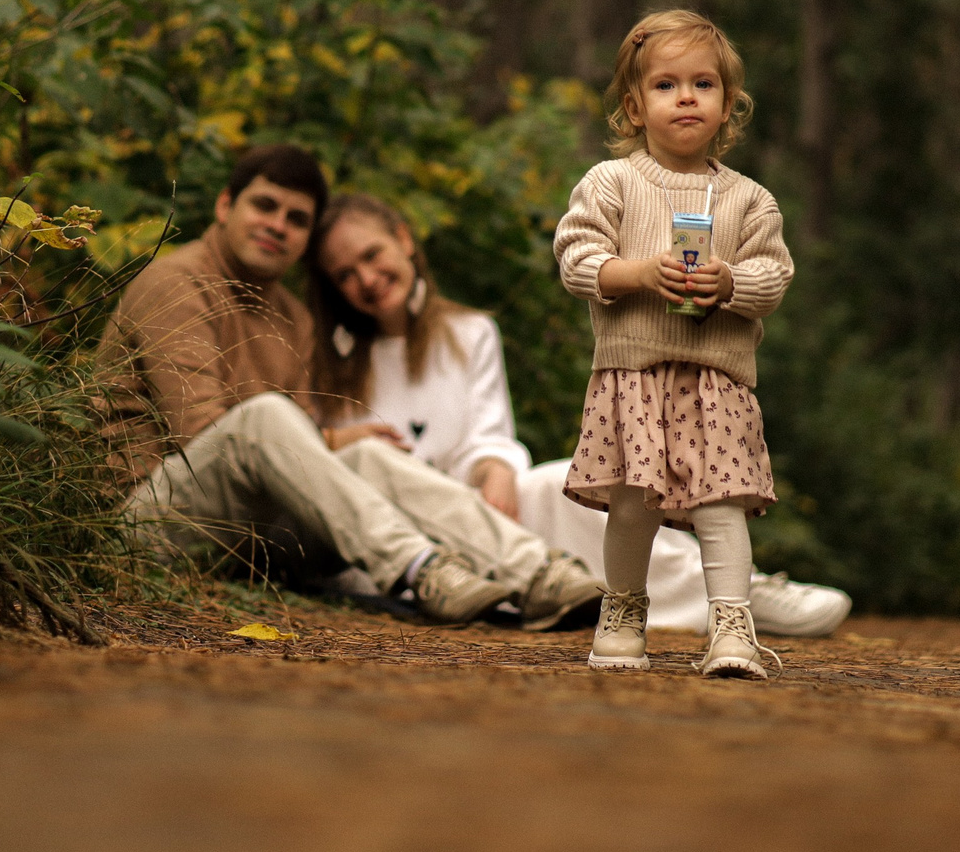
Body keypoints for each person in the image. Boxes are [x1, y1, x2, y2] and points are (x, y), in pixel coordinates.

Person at [96, 143, 604, 629]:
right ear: (225, 205)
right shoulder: (176, 284)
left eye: (297, 220)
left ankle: (538, 572)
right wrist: (334, 442)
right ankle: (420, 569)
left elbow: (296, 458)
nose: (278, 226)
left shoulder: (291, 320)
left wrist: (342, 446)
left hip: (249, 540)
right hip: (146, 524)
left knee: (372, 459)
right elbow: (201, 433)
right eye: (265, 206)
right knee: (270, 418)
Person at [308, 192, 850, 641]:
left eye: (373, 255)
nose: (366, 278)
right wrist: (335, 437)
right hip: (399, 531)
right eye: (345, 274)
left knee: (559, 482)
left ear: (403, 240)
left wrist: (492, 468)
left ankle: (733, 594)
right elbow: (316, 455)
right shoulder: (330, 355)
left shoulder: (467, 333)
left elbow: (488, 435)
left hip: (474, 507)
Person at [557, 9, 796, 678]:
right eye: (665, 86)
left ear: (729, 107)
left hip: (716, 377)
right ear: (634, 107)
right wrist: (635, 272)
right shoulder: (612, 184)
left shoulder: (750, 201)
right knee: (633, 504)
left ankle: (730, 625)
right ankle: (624, 611)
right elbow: (576, 259)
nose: (686, 97)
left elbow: (773, 276)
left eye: (703, 84)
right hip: (632, 373)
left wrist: (729, 283)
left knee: (722, 505)